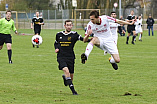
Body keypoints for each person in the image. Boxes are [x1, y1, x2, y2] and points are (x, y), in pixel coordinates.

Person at [54, 20, 90, 95]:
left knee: (70, 77)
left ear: (72, 26)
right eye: (67, 25)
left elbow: (83, 40)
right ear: (65, 26)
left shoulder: (74, 35)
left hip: (70, 57)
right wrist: (56, 48)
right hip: (61, 57)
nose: (69, 26)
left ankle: (66, 78)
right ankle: (74, 91)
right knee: (66, 71)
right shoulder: (59, 34)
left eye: (70, 25)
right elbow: (56, 43)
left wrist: (90, 38)